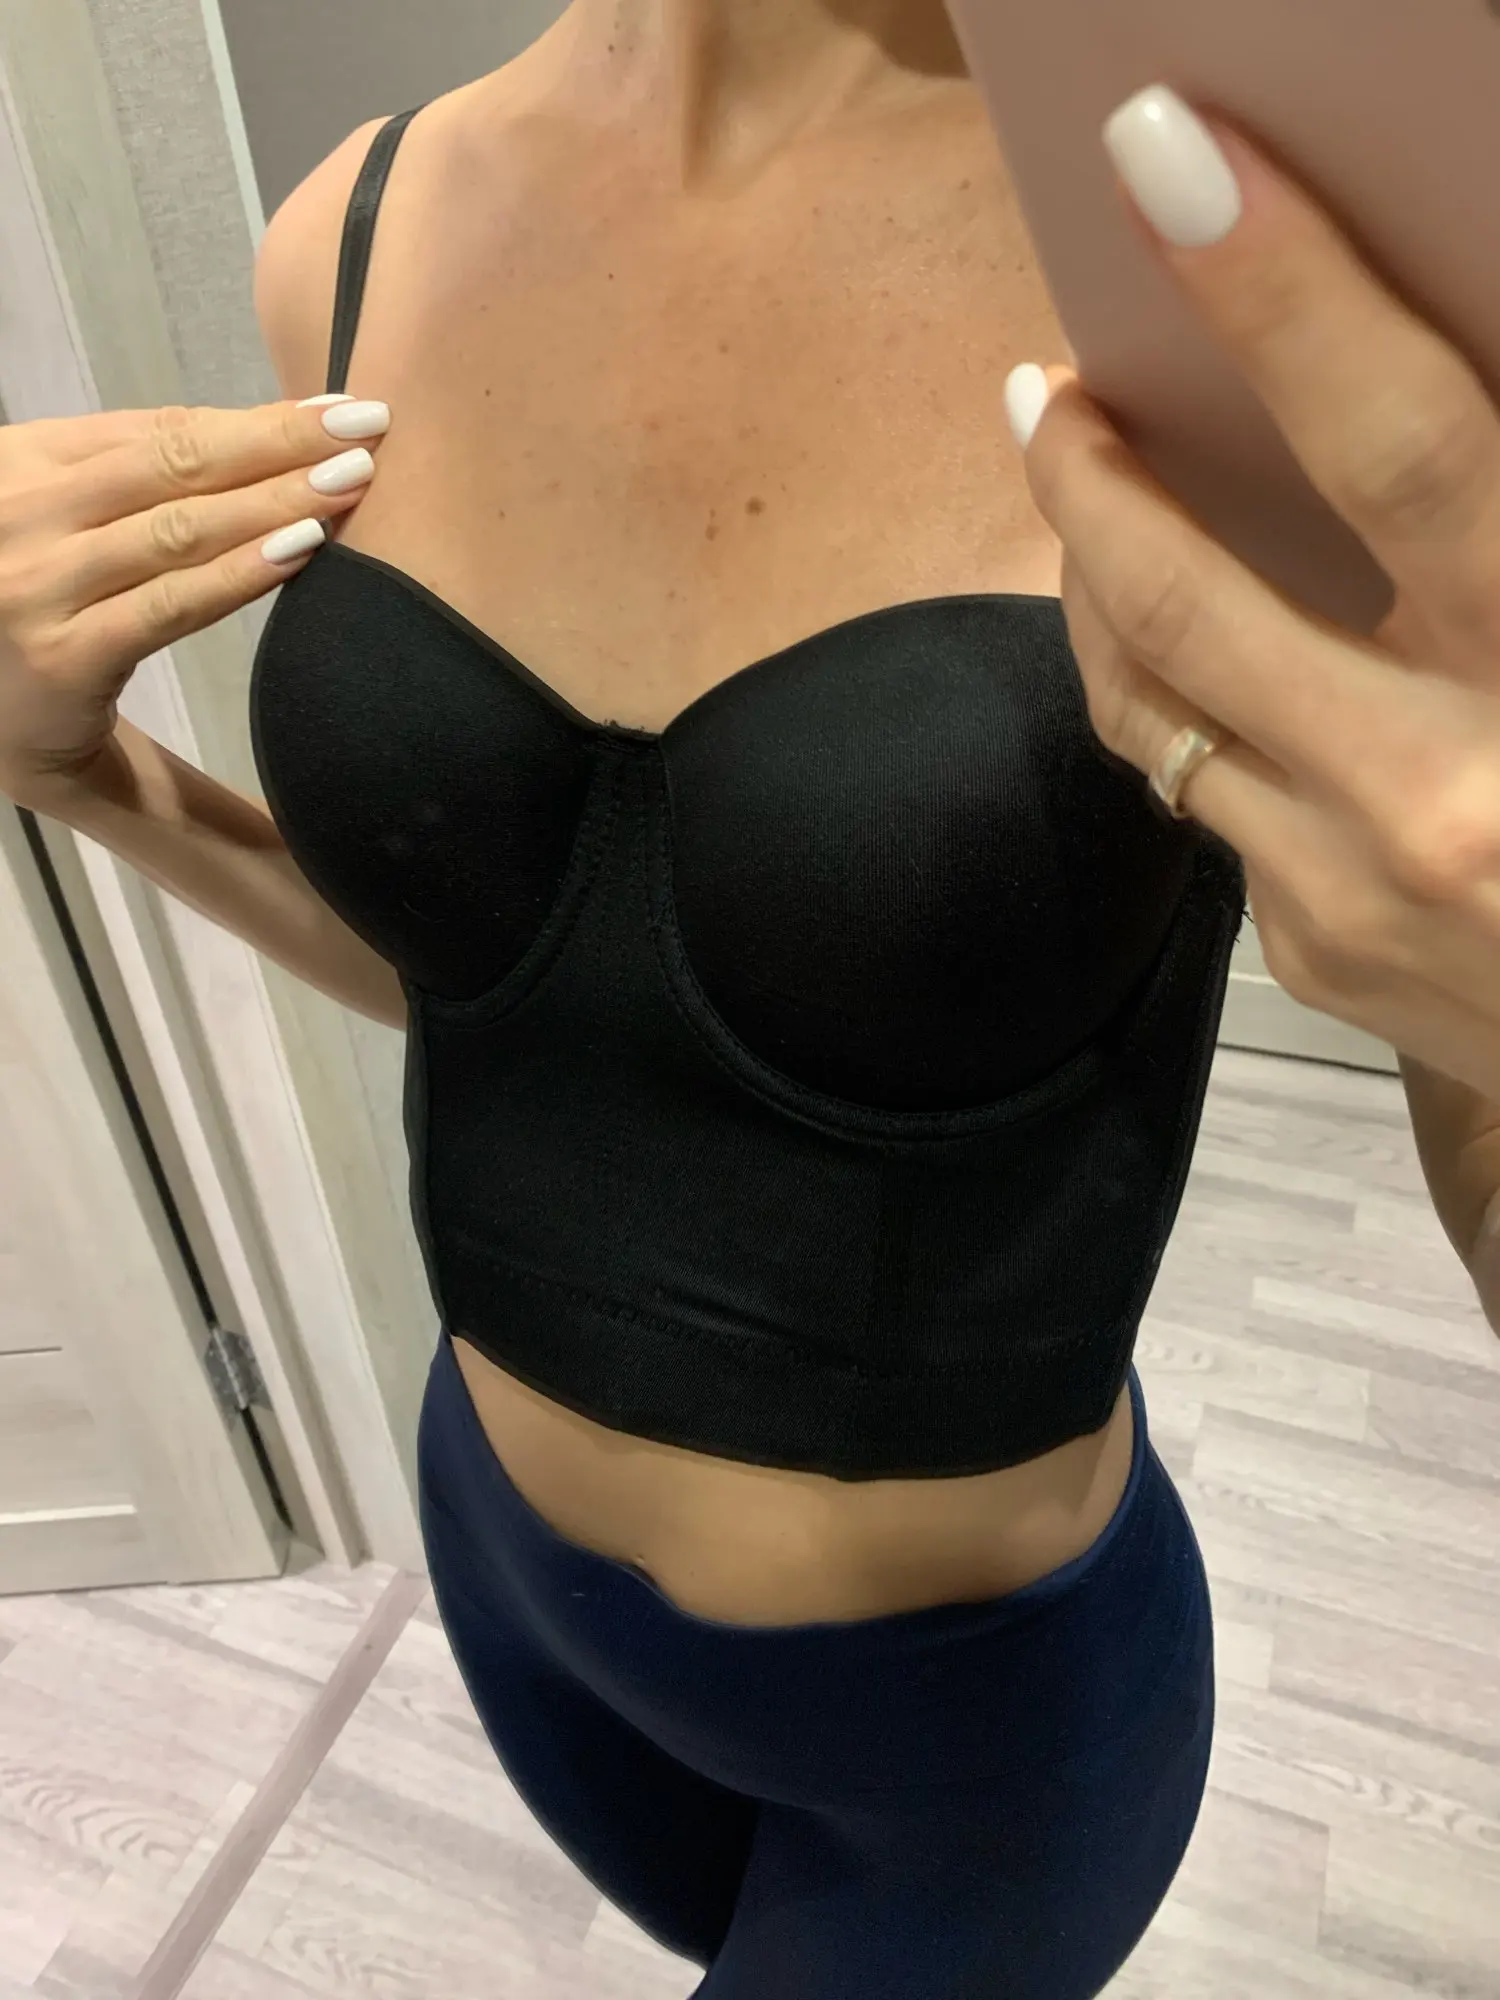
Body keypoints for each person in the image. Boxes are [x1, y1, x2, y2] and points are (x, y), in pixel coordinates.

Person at [0, 7, 1494, 1992]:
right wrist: (85, 780)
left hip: (969, 1744)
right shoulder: (354, 224)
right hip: (509, 1578)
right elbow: (513, 1003)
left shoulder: (1266, 277)